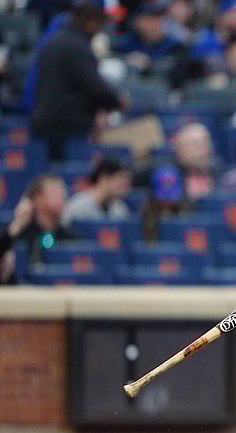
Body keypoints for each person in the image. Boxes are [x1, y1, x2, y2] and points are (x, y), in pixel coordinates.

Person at [30, 1, 125, 160]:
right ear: (91, 22)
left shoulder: (53, 42)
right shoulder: (76, 47)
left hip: (46, 123)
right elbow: (95, 88)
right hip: (65, 128)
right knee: (67, 177)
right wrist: (117, 102)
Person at [0, 175, 73, 284]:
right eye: (54, 192)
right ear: (37, 199)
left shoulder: (71, 237)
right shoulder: (17, 234)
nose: (61, 197)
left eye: (62, 192)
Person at [61, 158, 132, 227]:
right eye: (121, 177)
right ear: (105, 178)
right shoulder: (78, 206)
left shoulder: (120, 209)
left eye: (127, 178)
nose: (125, 183)